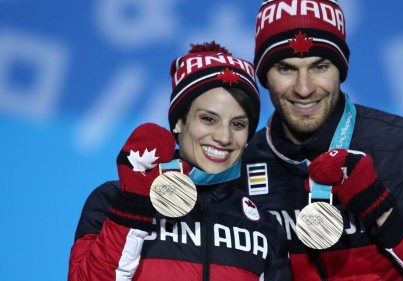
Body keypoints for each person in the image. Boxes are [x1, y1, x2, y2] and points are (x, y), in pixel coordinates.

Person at [239, 0, 403, 280]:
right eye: (287, 69)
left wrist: (380, 207)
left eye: (320, 67)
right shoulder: (241, 164)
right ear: (265, 76)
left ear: (341, 70)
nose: (304, 88)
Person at [69, 42, 292, 281]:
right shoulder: (111, 199)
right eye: (208, 119)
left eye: (238, 124)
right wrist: (133, 204)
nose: (224, 137)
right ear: (179, 122)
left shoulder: (264, 224)